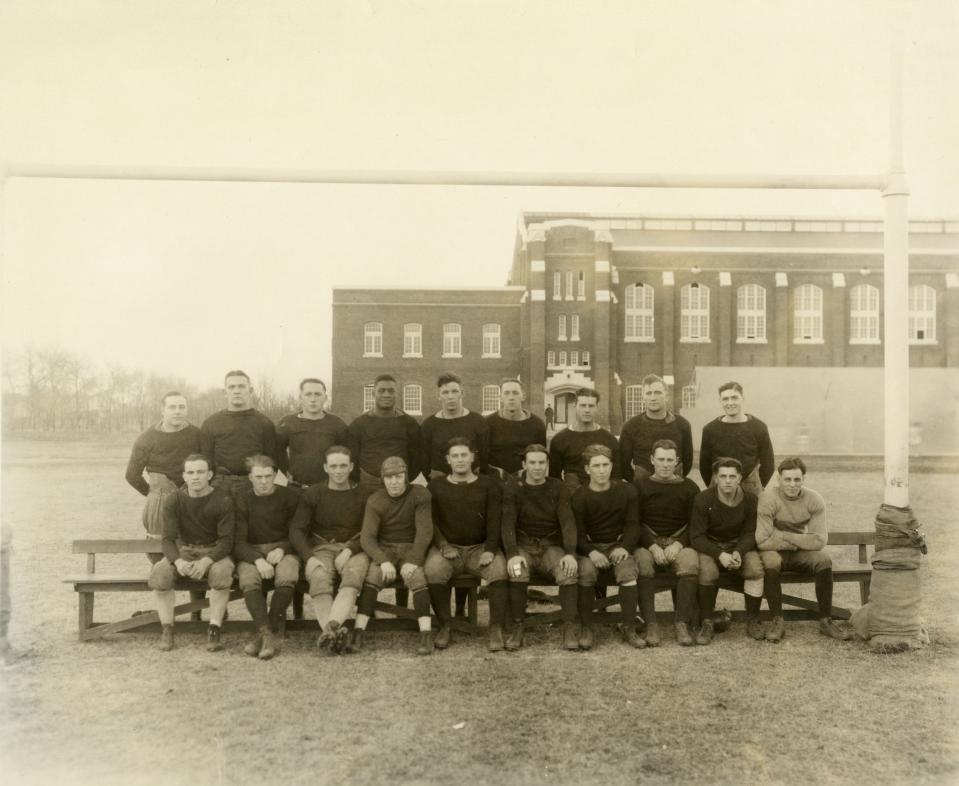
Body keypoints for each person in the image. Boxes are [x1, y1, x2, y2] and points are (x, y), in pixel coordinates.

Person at [425, 438, 509, 651]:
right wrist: (443, 545)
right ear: (448, 460)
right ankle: (445, 625)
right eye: (455, 456)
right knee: (433, 570)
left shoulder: (489, 484)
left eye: (464, 455)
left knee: (499, 569)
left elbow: (494, 520)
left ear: (473, 457)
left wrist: (490, 549)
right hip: (448, 548)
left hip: (479, 548)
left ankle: (496, 628)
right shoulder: (436, 486)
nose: (460, 460)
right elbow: (431, 522)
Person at [755, 457, 851, 642]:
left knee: (823, 560)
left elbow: (819, 541)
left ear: (803, 479)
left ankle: (825, 620)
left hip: (798, 551)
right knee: (771, 561)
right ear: (779, 479)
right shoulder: (768, 497)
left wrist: (784, 536)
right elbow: (761, 541)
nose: (792, 484)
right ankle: (777, 620)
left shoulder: (814, 499)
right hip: (774, 551)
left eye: (797, 479)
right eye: (787, 479)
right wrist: (799, 540)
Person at [147, 454, 235, 652]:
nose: (196, 477)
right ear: (184, 476)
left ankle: (214, 628)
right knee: (160, 575)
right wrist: (177, 561)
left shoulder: (223, 500)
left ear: (210, 474)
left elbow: (227, 541)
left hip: (214, 551)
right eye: (191, 472)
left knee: (221, 575)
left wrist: (206, 561)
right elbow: (168, 539)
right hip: (185, 550)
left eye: (201, 472)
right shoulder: (174, 499)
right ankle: (167, 628)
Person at [289, 445, 371, 654]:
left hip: (354, 547)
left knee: (353, 576)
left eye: (343, 465)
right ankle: (332, 632)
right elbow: (297, 529)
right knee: (318, 576)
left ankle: (330, 629)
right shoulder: (313, 493)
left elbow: (371, 531)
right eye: (333, 466)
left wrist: (350, 550)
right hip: (322, 546)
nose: (338, 471)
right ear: (325, 467)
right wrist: (309, 557)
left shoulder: (363, 493)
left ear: (351, 466)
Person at [352, 456, 434, 655]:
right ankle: (358, 632)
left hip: (410, 546)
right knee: (372, 577)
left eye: (398, 476)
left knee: (417, 578)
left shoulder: (419, 493)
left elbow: (424, 531)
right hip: (385, 548)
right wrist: (383, 560)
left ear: (406, 477)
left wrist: (414, 559)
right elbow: (367, 538)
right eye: (389, 477)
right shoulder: (376, 499)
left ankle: (426, 634)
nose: (394, 481)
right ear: (383, 479)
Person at [501, 444, 579, 651]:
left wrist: (570, 553)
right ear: (524, 464)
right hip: (522, 547)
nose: (537, 467)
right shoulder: (513, 486)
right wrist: (512, 554)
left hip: (550, 546)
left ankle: (569, 626)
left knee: (568, 571)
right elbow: (507, 523)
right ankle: (518, 626)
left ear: (547, 464)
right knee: (516, 572)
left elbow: (567, 522)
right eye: (532, 462)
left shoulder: (558, 487)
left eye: (541, 462)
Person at [571, 444, 645, 650]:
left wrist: (624, 547)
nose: (602, 470)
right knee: (585, 571)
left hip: (617, 545)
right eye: (596, 466)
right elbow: (575, 533)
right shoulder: (579, 496)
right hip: (591, 547)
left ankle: (629, 626)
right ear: (587, 469)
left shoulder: (626, 490)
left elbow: (633, 525)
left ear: (612, 466)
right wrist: (591, 552)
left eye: (605, 464)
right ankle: (587, 627)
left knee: (628, 571)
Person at [632, 440, 701, 646]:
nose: (665, 464)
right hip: (647, 543)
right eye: (660, 459)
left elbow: (695, 524)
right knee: (643, 563)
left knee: (689, 562)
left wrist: (679, 544)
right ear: (652, 460)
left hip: (678, 542)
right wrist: (652, 546)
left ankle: (681, 622)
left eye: (670, 460)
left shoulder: (689, 487)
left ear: (677, 461)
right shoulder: (639, 486)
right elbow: (634, 522)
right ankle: (651, 623)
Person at [690, 457, 765, 645]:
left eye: (732, 476)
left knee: (755, 569)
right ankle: (707, 623)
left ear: (740, 477)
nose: (728, 480)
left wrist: (739, 552)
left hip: (738, 546)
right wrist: (719, 554)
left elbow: (750, 532)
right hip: (711, 546)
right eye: (723, 476)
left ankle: (752, 620)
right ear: (715, 477)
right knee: (707, 572)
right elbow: (697, 537)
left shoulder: (750, 499)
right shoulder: (703, 498)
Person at [233, 455, 301, 659]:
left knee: (288, 575)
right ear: (250, 478)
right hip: (252, 551)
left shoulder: (290, 497)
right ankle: (267, 634)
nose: (264, 482)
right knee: (248, 579)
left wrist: (282, 548)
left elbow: (298, 533)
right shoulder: (241, 499)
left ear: (274, 476)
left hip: (283, 549)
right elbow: (237, 541)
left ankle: (264, 634)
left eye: (268, 476)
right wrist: (257, 559)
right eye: (258, 477)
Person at [125, 391, 202, 561]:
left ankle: (197, 588)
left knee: (194, 551)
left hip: (192, 499)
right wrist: (153, 493)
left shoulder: (198, 435)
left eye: (181, 407)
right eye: (172, 407)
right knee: (159, 555)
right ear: (162, 410)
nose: (177, 411)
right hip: (160, 502)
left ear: (187, 410)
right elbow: (132, 475)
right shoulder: (146, 438)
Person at [200, 370, 277, 496]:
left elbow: (271, 459)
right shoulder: (211, 423)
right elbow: (205, 459)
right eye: (231, 387)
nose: (236, 391)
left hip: (253, 483)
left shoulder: (264, 422)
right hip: (219, 483)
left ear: (250, 390)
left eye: (241, 386)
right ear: (225, 392)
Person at [348, 374, 422, 493]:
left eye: (391, 391)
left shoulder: (409, 423)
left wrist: (404, 477)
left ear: (396, 394)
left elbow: (417, 457)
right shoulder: (359, 424)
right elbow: (352, 457)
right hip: (368, 484)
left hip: (398, 483)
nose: (386, 395)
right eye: (381, 391)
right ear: (373, 394)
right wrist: (362, 479)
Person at [699, 382, 775, 497]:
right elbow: (704, 465)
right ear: (720, 401)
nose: (730, 403)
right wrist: (716, 484)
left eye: (734, 398)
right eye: (725, 399)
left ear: (742, 398)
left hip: (750, 488)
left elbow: (768, 463)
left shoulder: (758, 427)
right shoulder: (710, 429)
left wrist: (755, 485)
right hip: (720, 487)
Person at [276, 378, 350, 488]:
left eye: (317, 394)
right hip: (296, 488)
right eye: (308, 394)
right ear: (300, 398)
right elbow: (275, 451)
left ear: (325, 398)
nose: (313, 399)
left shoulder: (337, 424)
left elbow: (347, 455)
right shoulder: (287, 423)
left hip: (328, 489)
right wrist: (284, 474)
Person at [620, 374, 694, 482]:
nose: (653, 398)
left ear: (667, 396)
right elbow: (623, 463)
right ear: (643, 397)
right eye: (649, 393)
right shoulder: (630, 426)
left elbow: (687, 461)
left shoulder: (682, 424)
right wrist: (638, 484)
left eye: (658, 393)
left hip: (673, 486)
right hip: (642, 491)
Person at [420, 372, 489, 478]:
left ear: (462, 393)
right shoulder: (428, 425)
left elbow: (484, 455)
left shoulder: (478, 421)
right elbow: (424, 460)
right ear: (438, 396)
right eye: (445, 392)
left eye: (454, 391)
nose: (450, 396)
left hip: (472, 484)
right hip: (440, 486)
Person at [548, 388, 620, 490]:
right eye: (582, 405)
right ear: (575, 406)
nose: (587, 410)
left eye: (591, 406)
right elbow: (554, 478)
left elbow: (616, 476)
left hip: (602, 495)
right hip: (572, 495)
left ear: (597, 407)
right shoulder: (560, 439)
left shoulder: (609, 439)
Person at [485, 378, 547, 480]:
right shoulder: (488, 423)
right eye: (507, 393)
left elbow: (541, 458)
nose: (511, 397)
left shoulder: (537, 424)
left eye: (515, 393)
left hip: (525, 481)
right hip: (495, 481)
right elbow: (483, 458)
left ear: (523, 396)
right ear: (500, 397)